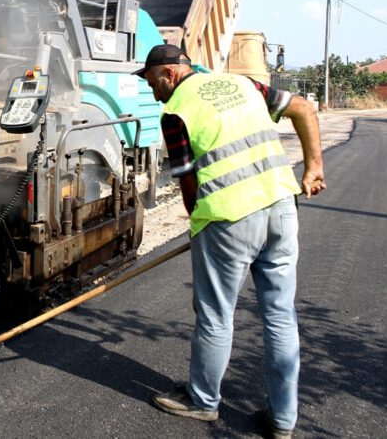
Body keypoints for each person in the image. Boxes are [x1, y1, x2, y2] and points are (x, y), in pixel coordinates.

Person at [133, 44, 325, 439]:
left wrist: (199, 227)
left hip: (228, 219)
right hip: (281, 207)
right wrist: (314, 169)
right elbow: (303, 108)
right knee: (279, 315)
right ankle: (283, 421)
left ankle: (203, 402)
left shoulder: (175, 112)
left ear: (169, 74)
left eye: (153, 83)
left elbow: (189, 185)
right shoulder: (244, 83)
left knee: (216, 315)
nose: (153, 93)